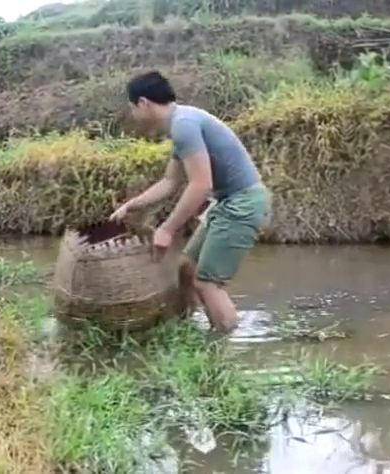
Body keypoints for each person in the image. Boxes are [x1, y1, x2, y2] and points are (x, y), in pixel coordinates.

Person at [109, 71, 271, 333]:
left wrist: (167, 229)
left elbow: (201, 184)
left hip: (241, 203)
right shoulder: (182, 122)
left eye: (132, 108)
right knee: (187, 268)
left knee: (207, 283)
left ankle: (224, 348)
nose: (133, 115)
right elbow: (170, 182)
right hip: (228, 202)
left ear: (143, 103)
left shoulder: (184, 125)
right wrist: (133, 205)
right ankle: (187, 330)